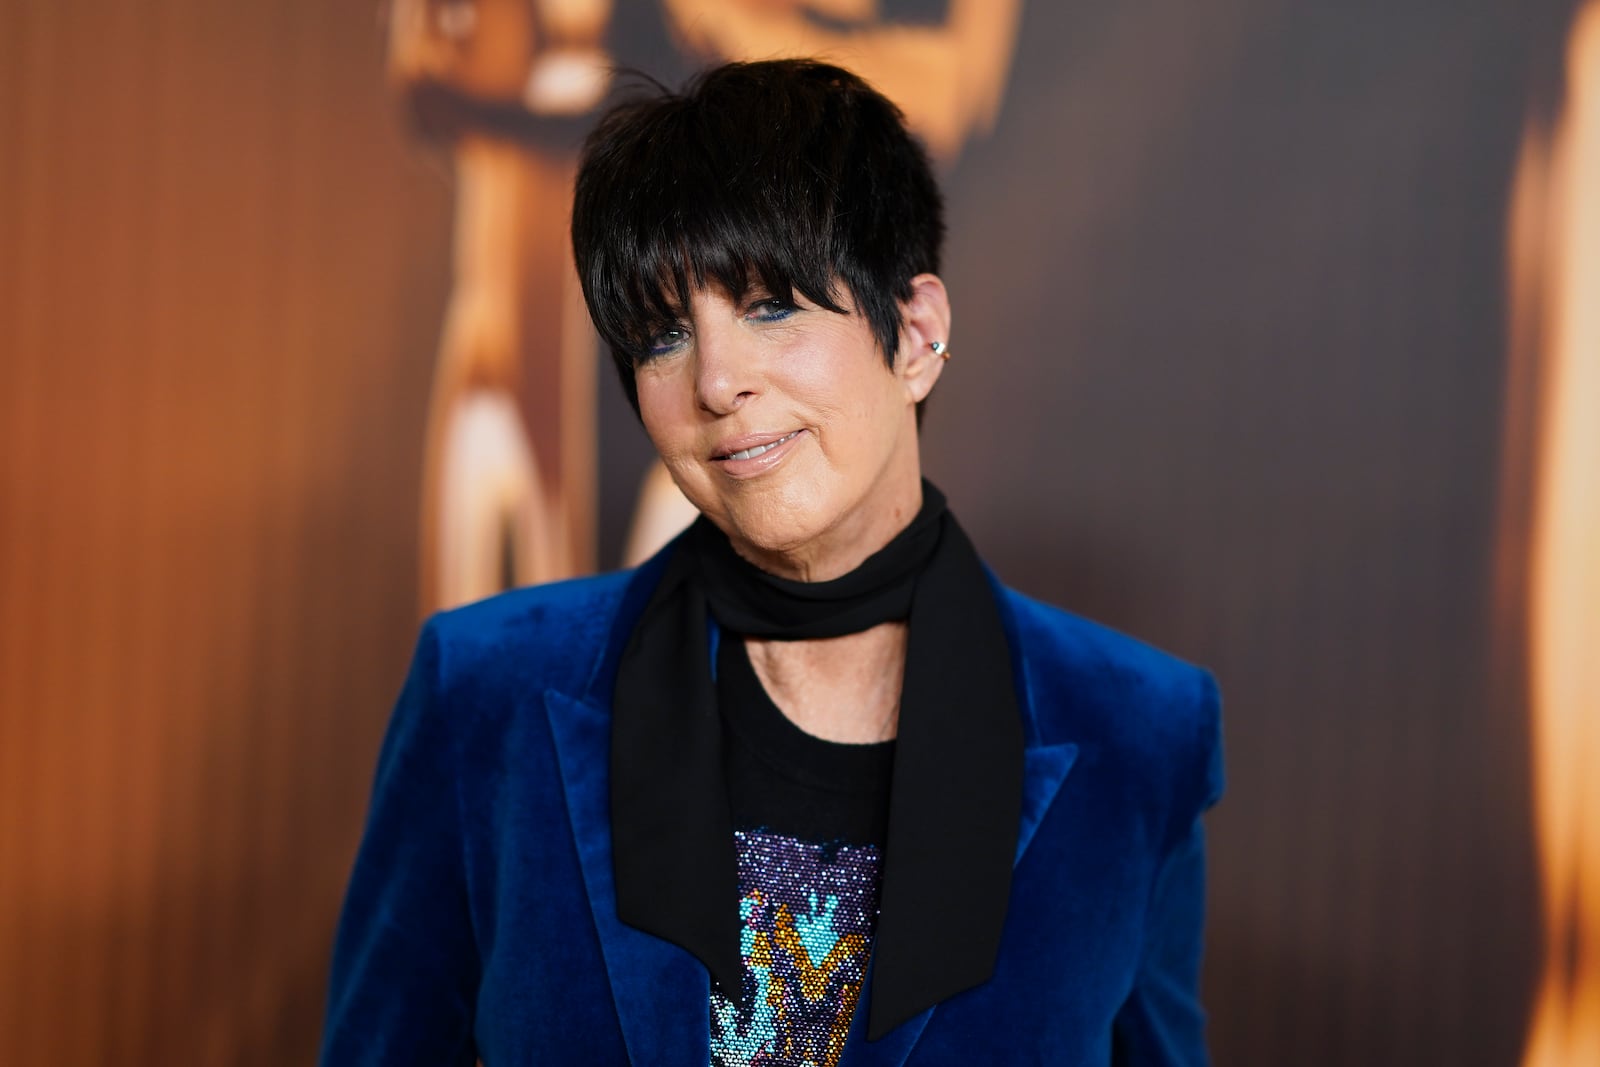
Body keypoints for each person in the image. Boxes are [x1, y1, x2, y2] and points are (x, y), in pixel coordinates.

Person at [320, 59, 1224, 1066]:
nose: (714, 381)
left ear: (916, 332)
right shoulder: (486, 693)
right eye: (663, 335)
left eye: (767, 305)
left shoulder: (1137, 737)